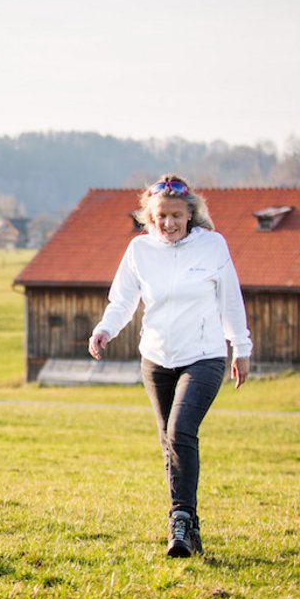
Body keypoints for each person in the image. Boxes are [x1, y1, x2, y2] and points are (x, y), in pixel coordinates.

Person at [87, 174, 251, 558]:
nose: (169, 223)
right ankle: (188, 529)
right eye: (161, 216)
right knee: (169, 441)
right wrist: (104, 329)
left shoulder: (212, 246)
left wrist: (241, 347)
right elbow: (122, 300)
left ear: (190, 213)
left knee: (180, 431)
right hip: (157, 359)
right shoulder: (139, 250)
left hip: (204, 355)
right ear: (150, 217)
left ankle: (179, 519)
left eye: (176, 215)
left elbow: (230, 300)